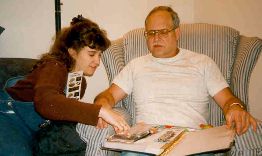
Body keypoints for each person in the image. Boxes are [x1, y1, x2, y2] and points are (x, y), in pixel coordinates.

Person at [77, 6, 258, 156]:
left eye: (163, 31)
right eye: (151, 33)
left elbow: (228, 100)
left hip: (193, 143)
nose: (156, 38)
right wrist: (102, 106)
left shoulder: (202, 63)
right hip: (144, 144)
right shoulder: (136, 65)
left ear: (177, 32)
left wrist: (235, 107)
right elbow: (108, 96)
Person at [5, 15, 129, 155]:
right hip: (7, 117)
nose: (97, 61)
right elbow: (47, 103)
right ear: (72, 51)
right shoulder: (54, 66)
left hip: (28, 127)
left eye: (99, 55)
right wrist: (100, 111)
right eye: (91, 54)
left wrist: (93, 119)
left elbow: (64, 113)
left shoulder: (79, 82)